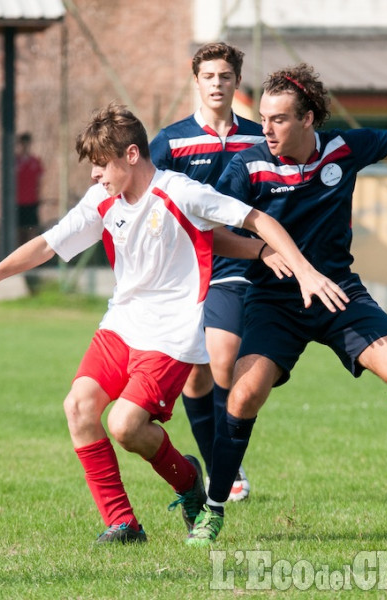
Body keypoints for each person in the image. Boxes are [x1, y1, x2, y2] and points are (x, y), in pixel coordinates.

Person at [0, 103, 348, 544]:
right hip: (121, 324)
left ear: (130, 155)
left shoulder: (180, 192)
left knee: (125, 426)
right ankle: (122, 523)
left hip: (171, 335)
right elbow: (48, 244)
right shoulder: (102, 200)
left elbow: (256, 219)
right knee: (78, 407)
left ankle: (186, 482)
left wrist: (295, 266)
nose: (94, 175)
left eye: (101, 164)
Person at [187, 33, 387, 546]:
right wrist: (263, 252)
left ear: (307, 119)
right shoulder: (247, 166)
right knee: (245, 391)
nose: (266, 127)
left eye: (279, 118)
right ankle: (214, 507)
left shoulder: (343, 150)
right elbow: (210, 233)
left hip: (337, 294)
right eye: (263, 117)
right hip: (274, 302)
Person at [150, 42, 265, 502]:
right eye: (209, 76)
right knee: (196, 377)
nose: (217, 84)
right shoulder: (171, 140)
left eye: (225, 76)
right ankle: (223, 467)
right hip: (184, 271)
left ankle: (225, 468)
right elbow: (147, 197)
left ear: (237, 81)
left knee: (223, 358)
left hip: (236, 263)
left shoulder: (259, 137)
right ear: (195, 80)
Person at [16, 132, 44, 243]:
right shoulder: (15, 162)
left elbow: (40, 181)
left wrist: (39, 196)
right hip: (18, 203)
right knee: (19, 232)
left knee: (32, 230)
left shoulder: (35, 162)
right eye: (23, 144)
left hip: (32, 202)